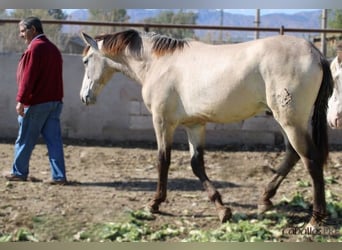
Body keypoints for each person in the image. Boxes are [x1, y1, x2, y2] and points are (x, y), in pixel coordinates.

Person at [5, 16, 67, 185]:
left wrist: (21, 100)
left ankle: (19, 172)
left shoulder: (35, 48)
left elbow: (28, 78)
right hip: (54, 102)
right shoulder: (53, 49)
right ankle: (59, 176)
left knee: (25, 138)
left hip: (37, 102)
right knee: (54, 141)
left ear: (33, 30)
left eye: (23, 31)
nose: (20, 35)